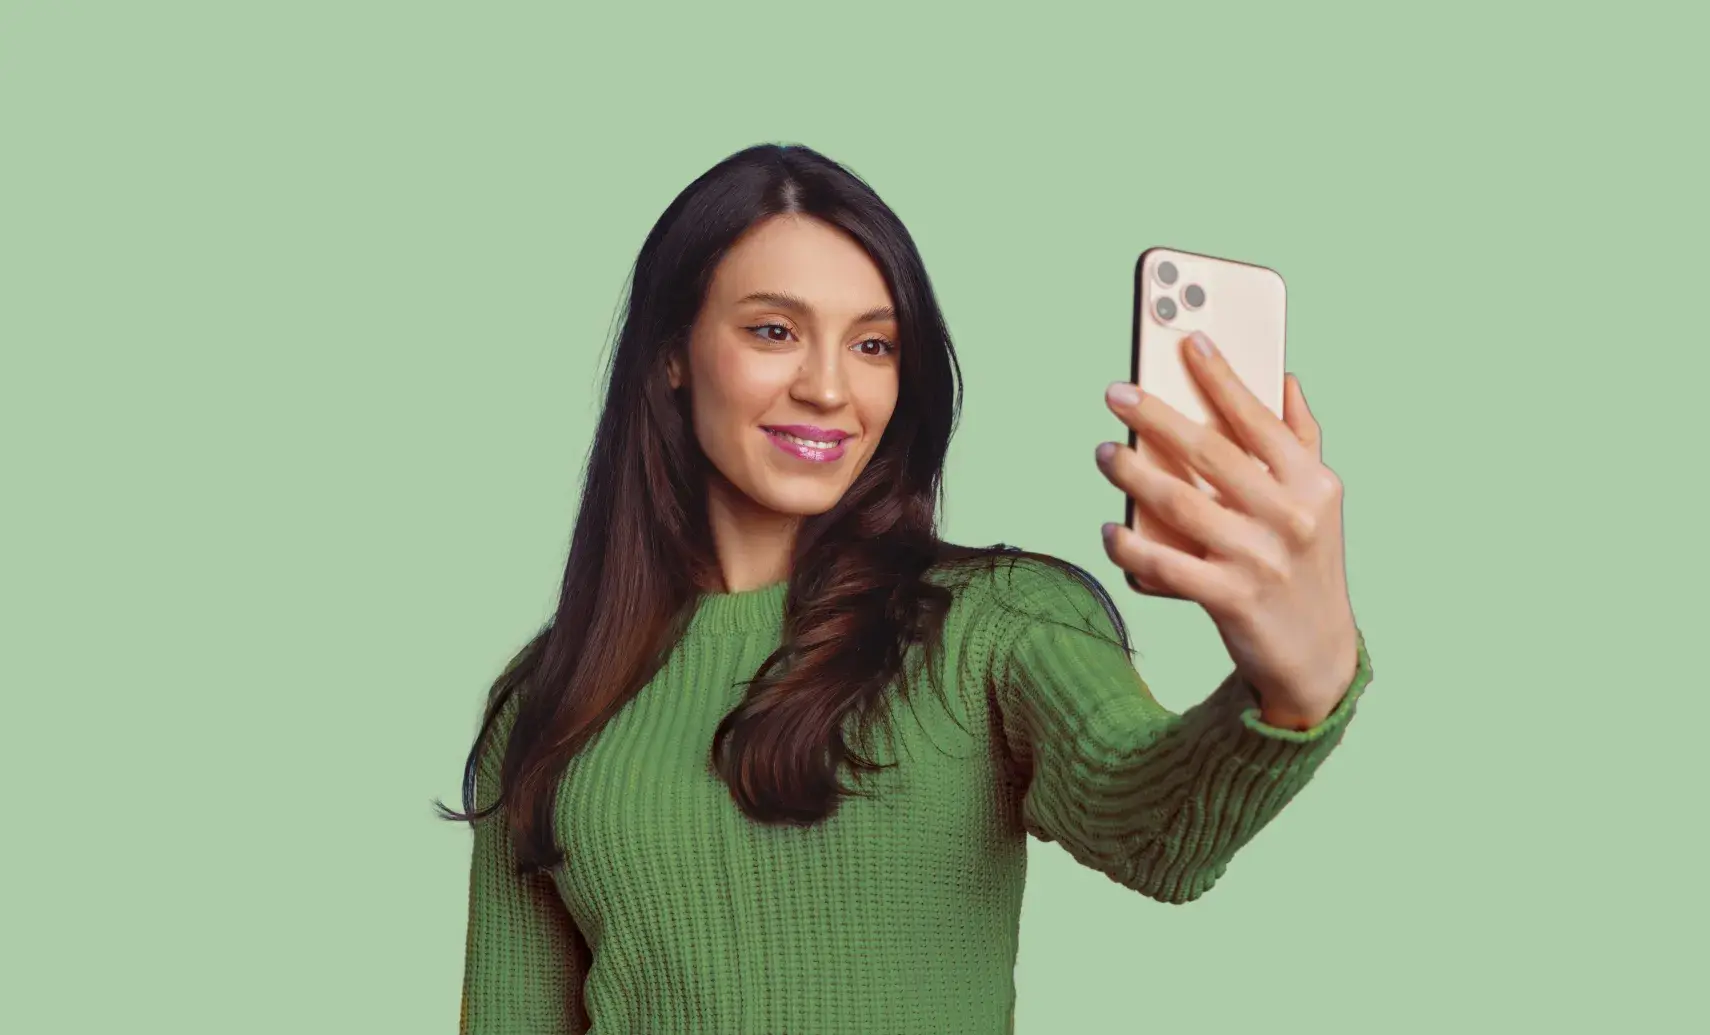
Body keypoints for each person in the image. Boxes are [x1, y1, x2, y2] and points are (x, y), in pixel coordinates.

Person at [439, 143, 1372, 1034]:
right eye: (774, 330)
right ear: (671, 355)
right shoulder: (551, 700)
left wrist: (1302, 680)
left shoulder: (992, 624)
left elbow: (1159, 831)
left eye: (875, 346)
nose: (828, 388)